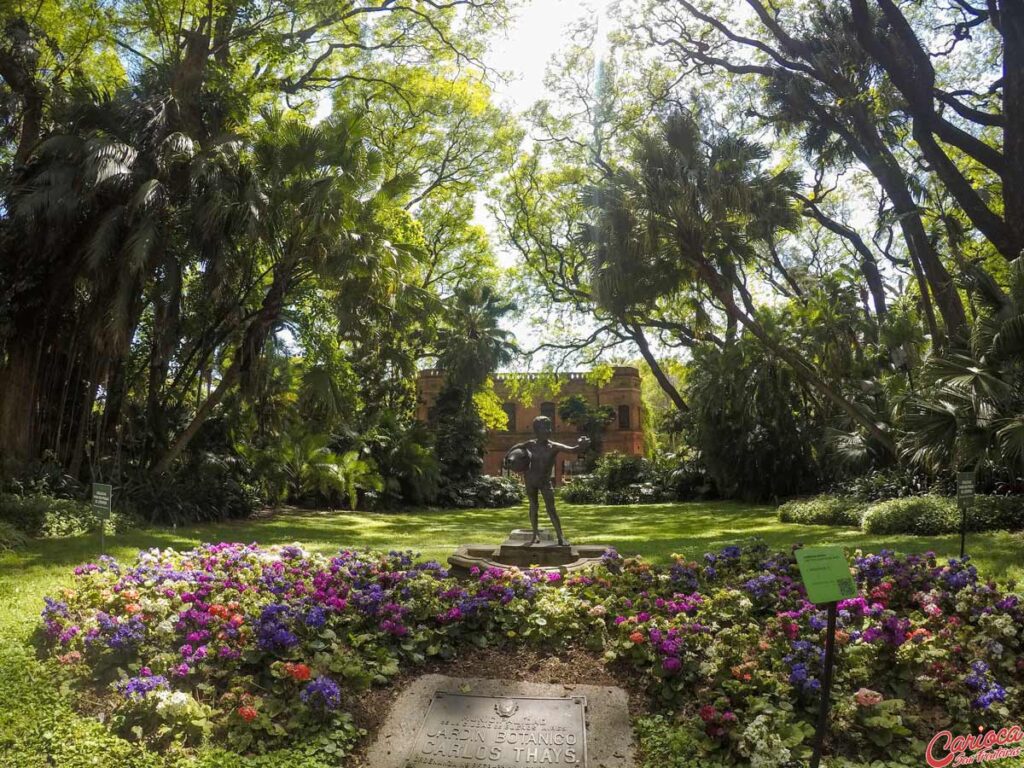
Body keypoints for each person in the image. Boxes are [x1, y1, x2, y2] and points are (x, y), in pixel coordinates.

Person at [504, 415, 590, 545]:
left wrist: (581, 445)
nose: (549, 430)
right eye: (546, 428)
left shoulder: (553, 446)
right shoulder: (530, 445)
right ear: (537, 430)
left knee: (551, 508)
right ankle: (534, 535)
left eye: (550, 427)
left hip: (545, 482)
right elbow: (516, 447)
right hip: (530, 480)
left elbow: (572, 450)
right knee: (533, 507)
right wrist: (507, 459)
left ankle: (560, 537)